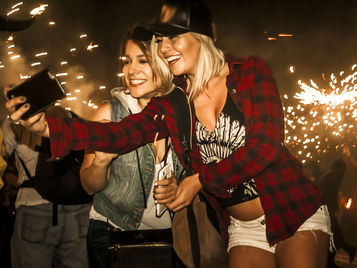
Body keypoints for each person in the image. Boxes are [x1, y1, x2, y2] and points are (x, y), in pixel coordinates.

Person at [5, 0, 332, 267]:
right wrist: (48, 126)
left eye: (173, 37)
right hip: (243, 228)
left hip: (290, 206)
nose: (164, 48)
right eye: (160, 40)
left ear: (202, 37)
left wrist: (199, 180)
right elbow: (122, 134)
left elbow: (266, 148)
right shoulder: (176, 100)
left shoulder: (249, 73)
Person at [81, 26, 184, 267]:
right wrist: (101, 162)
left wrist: (182, 188)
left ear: (166, 62)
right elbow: (88, 185)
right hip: (114, 235)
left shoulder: (187, 114)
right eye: (127, 61)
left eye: (143, 61)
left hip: (175, 240)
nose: (130, 70)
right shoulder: (109, 113)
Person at [1, 104, 90, 268]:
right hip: (77, 209)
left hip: (33, 207)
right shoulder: (70, 115)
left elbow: (2, 155)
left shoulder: (15, 121)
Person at [319, 159, 357, 267]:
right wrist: (333, 209)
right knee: (335, 234)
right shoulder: (333, 176)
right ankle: (332, 259)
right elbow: (330, 193)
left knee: (335, 234)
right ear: (341, 169)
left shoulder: (329, 175)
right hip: (324, 209)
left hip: (323, 208)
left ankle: (332, 259)